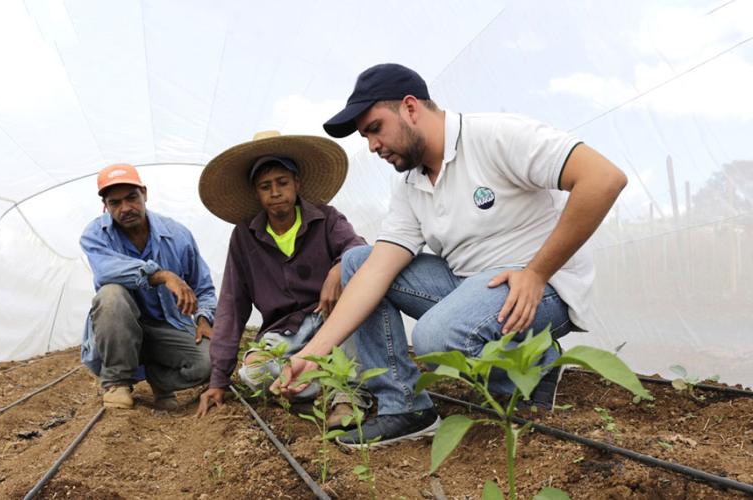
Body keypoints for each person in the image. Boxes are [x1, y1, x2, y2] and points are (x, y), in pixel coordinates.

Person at [272, 63, 628, 448]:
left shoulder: (494, 136)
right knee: (358, 263)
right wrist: (311, 355)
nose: (372, 146)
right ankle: (405, 407)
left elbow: (603, 179)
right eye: (366, 137)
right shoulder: (411, 185)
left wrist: (537, 273)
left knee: (435, 339)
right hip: (468, 285)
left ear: (410, 108)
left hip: (540, 287)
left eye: (375, 128)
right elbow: (375, 273)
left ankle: (536, 365)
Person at [195, 131, 368, 426]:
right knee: (253, 372)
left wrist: (339, 267)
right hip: (283, 332)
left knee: (353, 316)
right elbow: (232, 305)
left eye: (282, 182)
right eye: (265, 186)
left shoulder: (326, 219)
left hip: (329, 318)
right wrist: (219, 379)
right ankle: (320, 383)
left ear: (297, 183)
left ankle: (344, 395)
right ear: (256, 193)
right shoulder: (244, 237)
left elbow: (360, 251)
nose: (275, 192)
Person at [80, 163, 216, 410]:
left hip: (166, 329)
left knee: (211, 361)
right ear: (105, 206)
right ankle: (118, 383)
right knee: (110, 294)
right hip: (121, 329)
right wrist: (162, 276)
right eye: (115, 203)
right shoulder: (96, 234)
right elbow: (106, 271)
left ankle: (158, 379)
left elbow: (203, 287)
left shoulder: (177, 235)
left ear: (144, 193)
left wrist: (204, 318)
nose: (125, 208)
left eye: (131, 198)